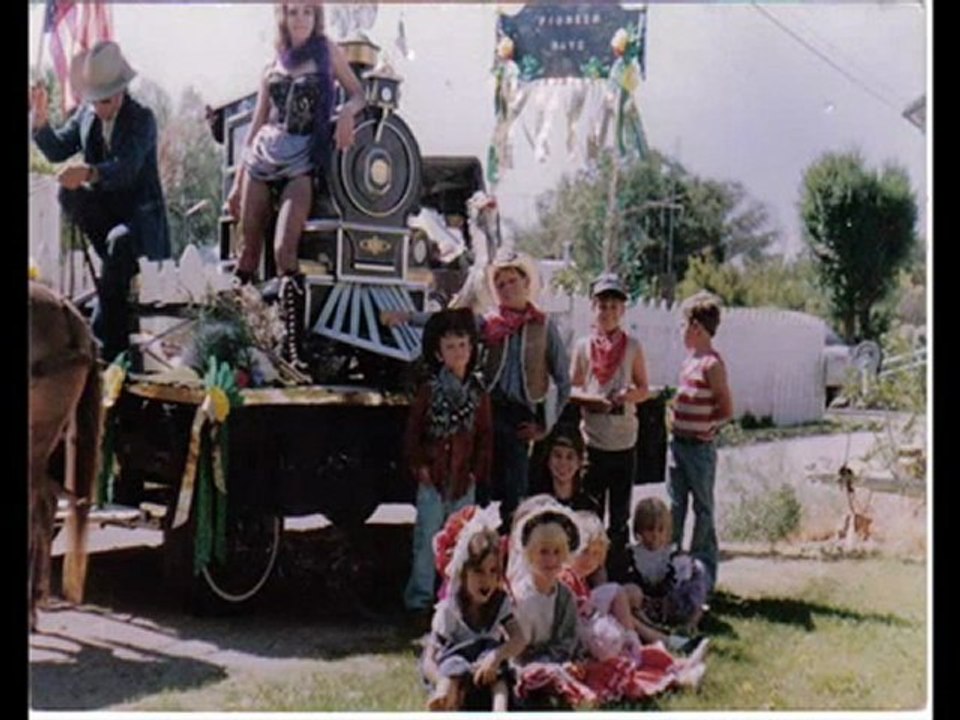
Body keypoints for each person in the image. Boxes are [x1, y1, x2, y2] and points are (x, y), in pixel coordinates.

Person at [384, 250, 571, 529]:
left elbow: (563, 380)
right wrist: (407, 317)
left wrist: (546, 426)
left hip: (521, 415)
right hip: (487, 409)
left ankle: (510, 556)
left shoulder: (544, 326)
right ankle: (471, 548)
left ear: (525, 283)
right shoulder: (488, 322)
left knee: (515, 493)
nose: (507, 288)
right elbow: (448, 323)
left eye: (511, 281)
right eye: (500, 284)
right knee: (478, 484)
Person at [226, 1, 365, 368]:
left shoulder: (327, 50)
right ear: (283, 17)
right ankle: (238, 339)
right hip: (263, 156)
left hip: (303, 157)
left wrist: (348, 114)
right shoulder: (273, 62)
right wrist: (237, 183)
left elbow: (358, 92)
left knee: (285, 251)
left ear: (316, 16)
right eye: (293, 12)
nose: (300, 18)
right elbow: (256, 125)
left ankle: (292, 348)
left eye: (307, 11)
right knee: (247, 254)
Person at [30, 40, 171, 362]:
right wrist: (40, 121)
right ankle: (109, 345)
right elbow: (56, 149)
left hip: (139, 224)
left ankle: (108, 350)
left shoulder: (142, 119)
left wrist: (89, 172)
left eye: (104, 100)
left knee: (118, 245)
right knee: (68, 193)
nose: (99, 108)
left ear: (121, 92)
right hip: (107, 222)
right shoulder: (86, 115)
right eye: (93, 101)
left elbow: (126, 169)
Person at [403, 309, 493, 613]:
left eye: (463, 345)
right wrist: (421, 468)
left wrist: (475, 474)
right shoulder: (429, 391)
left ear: (471, 349)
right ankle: (419, 600)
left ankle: (455, 599)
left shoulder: (478, 394)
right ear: (440, 354)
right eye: (450, 347)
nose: (458, 352)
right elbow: (413, 434)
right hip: (434, 477)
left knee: (463, 542)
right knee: (427, 540)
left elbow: (484, 438)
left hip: (462, 479)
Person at [569, 273, 650, 581]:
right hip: (593, 442)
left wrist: (628, 395)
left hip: (624, 442)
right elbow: (571, 389)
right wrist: (593, 399)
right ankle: (586, 576)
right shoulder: (583, 346)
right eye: (603, 305)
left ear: (623, 311)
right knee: (590, 515)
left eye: (615, 306)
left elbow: (644, 388)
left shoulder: (632, 347)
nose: (608, 312)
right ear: (593, 307)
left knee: (619, 519)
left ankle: (616, 578)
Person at [421, 507, 526, 712]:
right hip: (456, 664)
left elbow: (519, 638)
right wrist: (439, 677)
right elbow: (430, 657)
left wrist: (496, 657)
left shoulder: (499, 602)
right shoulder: (451, 609)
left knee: (499, 670)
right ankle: (445, 699)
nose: (486, 580)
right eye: (478, 572)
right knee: (452, 667)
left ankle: (500, 708)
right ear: (463, 573)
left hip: (486, 668)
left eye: (493, 571)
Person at [669, 291, 734, 593]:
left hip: (699, 449)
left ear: (696, 327)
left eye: (684, 325)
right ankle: (671, 566)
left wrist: (710, 428)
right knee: (676, 505)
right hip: (678, 445)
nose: (681, 331)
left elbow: (725, 408)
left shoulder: (711, 364)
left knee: (703, 508)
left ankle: (702, 571)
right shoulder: (688, 362)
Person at [509, 500, 595, 709]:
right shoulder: (520, 595)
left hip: (556, 657)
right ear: (530, 554)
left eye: (557, 552)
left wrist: (562, 658)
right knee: (534, 676)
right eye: (544, 552)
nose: (550, 560)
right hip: (524, 661)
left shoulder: (564, 595)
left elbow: (567, 636)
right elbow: (515, 647)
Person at [624, 497, 711, 634]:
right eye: (649, 529)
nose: (655, 535)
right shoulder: (632, 555)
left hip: (670, 605)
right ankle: (648, 625)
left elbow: (684, 582)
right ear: (639, 529)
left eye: (660, 530)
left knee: (698, 569)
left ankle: (691, 624)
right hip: (645, 606)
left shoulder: (672, 554)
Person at [529, 429, 594, 512]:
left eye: (570, 457)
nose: (563, 463)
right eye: (557, 455)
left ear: (579, 462)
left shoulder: (588, 507)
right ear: (548, 460)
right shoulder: (535, 505)